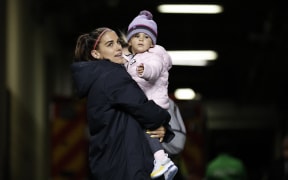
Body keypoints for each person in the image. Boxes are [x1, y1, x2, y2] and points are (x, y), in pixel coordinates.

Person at [70, 27, 175, 180]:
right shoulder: (111, 76)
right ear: (96, 54)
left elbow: (132, 116)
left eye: (118, 42)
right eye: (110, 44)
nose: (118, 47)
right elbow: (142, 107)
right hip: (126, 166)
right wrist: (164, 122)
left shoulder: (98, 77)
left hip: (112, 164)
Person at [123, 10, 177, 180]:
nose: (141, 39)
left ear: (152, 43)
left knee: (149, 132)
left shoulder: (153, 55)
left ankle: (162, 160)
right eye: (137, 35)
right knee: (149, 131)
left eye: (146, 37)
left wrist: (145, 71)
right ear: (129, 40)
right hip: (148, 106)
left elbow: (154, 69)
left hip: (152, 105)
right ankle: (161, 160)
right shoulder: (131, 59)